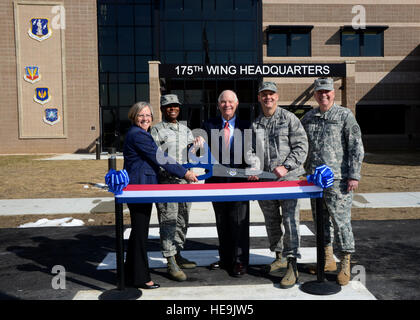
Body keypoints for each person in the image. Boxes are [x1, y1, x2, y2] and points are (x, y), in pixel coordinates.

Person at [123, 101, 198, 289]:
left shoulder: (139, 133)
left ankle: (129, 274)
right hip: (140, 188)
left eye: (148, 115)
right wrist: (185, 173)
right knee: (140, 234)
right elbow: (160, 157)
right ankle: (141, 278)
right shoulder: (139, 134)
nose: (145, 118)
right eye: (141, 115)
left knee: (138, 233)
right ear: (134, 116)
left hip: (141, 187)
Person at [301, 78, 364, 286]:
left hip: (339, 181)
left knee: (341, 222)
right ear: (315, 95)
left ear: (333, 92)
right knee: (320, 222)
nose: (323, 95)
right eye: (319, 92)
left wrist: (354, 174)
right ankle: (327, 260)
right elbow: (302, 146)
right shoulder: (309, 117)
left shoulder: (344, 115)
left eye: (327, 91)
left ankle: (345, 262)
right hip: (314, 182)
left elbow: (356, 146)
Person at [249, 82, 308, 288]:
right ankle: (279, 256)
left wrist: (286, 166)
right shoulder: (255, 124)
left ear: (277, 96)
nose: (268, 98)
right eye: (264, 95)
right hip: (266, 182)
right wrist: (254, 166)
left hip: (289, 180)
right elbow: (251, 151)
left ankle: (292, 265)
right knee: (272, 221)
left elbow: (302, 147)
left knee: (291, 221)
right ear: (259, 98)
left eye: (271, 94)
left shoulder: (289, 118)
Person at [200, 90, 251, 277]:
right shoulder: (208, 125)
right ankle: (225, 258)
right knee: (222, 223)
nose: (226, 105)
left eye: (230, 101)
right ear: (218, 105)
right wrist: (196, 142)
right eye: (223, 101)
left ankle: (240, 261)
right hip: (217, 183)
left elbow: (253, 153)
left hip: (239, 183)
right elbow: (199, 149)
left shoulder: (247, 125)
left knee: (239, 223)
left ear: (236, 104)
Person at [150, 94, 197, 282]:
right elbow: (155, 157)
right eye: (168, 106)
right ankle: (169, 259)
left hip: (186, 183)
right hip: (167, 183)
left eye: (175, 106)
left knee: (182, 219)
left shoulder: (186, 130)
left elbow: (192, 155)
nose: (172, 109)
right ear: (162, 109)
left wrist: (198, 148)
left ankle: (178, 253)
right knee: (168, 220)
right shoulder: (156, 131)